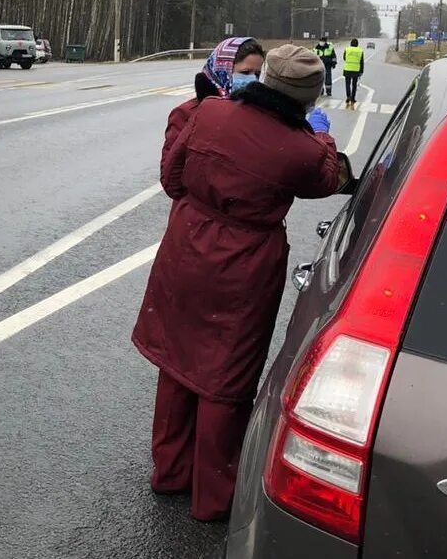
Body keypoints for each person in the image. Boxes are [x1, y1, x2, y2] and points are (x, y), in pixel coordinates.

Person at [132, 44, 344, 522]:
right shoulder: (302, 150)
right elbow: (327, 179)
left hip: (186, 245)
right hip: (246, 264)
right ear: (308, 98)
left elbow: (173, 176)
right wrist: (322, 137)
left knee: (176, 358)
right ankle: (214, 498)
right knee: (225, 378)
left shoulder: (208, 113)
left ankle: (168, 472)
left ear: (264, 79)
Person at [165, 37, 266, 155]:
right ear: (223, 70)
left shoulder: (256, 112)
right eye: (245, 72)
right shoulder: (186, 113)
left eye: (257, 74)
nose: (253, 80)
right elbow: (172, 167)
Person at [342, 37, 364, 108]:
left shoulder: (347, 49)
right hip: (356, 70)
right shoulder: (360, 51)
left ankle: (348, 96)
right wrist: (361, 71)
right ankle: (353, 98)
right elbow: (361, 62)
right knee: (354, 85)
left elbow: (344, 58)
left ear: (350, 43)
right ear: (357, 44)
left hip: (347, 69)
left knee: (347, 84)